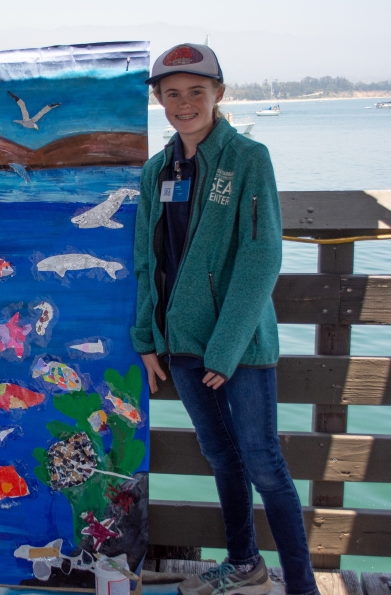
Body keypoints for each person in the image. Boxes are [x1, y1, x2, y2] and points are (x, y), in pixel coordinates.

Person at [130, 43, 318, 595]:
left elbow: (263, 255)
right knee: (220, 457)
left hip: (239, 347)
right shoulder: (156, 170)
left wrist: (227, 345)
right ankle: (244, 564)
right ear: (159, 101)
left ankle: (302, 584)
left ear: (219, 94)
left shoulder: (248, 159)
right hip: (183, 346)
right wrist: (146, 336)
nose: (184, 103)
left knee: (265, 464)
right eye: (172, 94)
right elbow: (148, 259)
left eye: (195, 91)